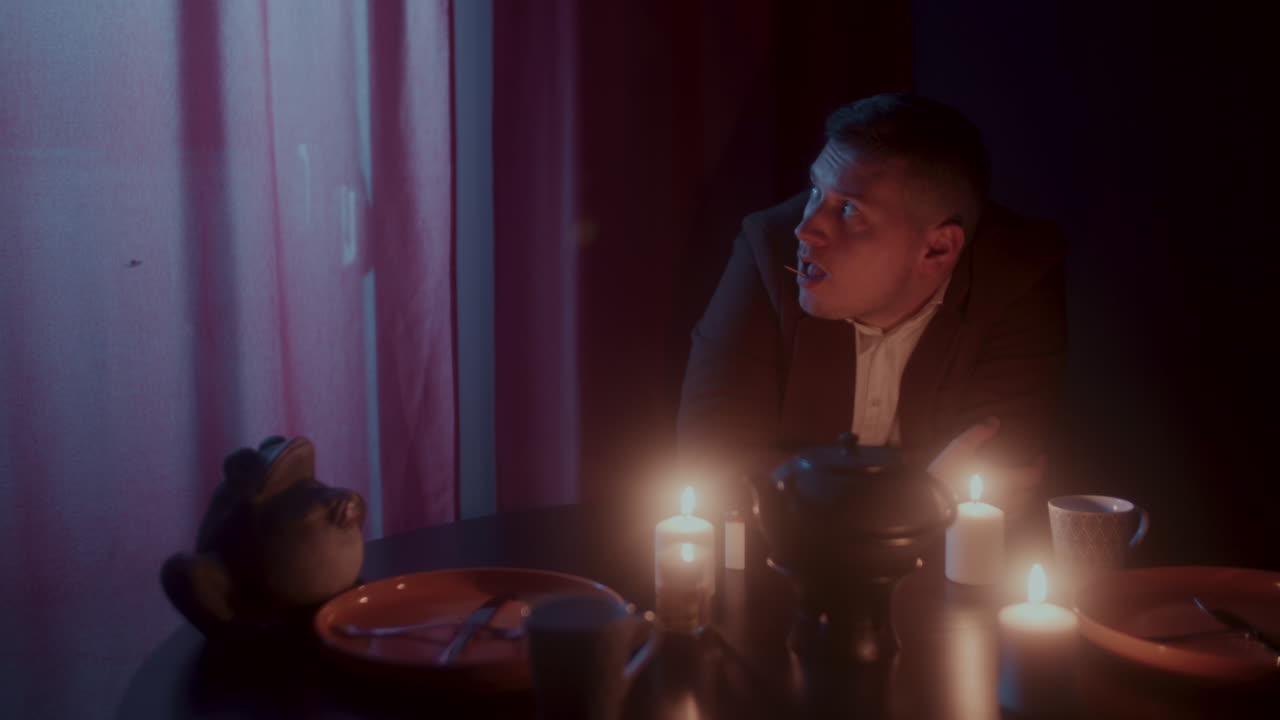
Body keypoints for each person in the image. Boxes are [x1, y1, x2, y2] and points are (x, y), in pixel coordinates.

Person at [677, 92, 1067, 516]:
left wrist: (801, 480)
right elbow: (709, 463)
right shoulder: (768, 250)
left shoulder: (1015, 272)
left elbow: (1003, 473)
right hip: (784, 562)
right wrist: (927, 486)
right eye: (814, 191)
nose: (805, 230)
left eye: (848, 209)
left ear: (937, 248)